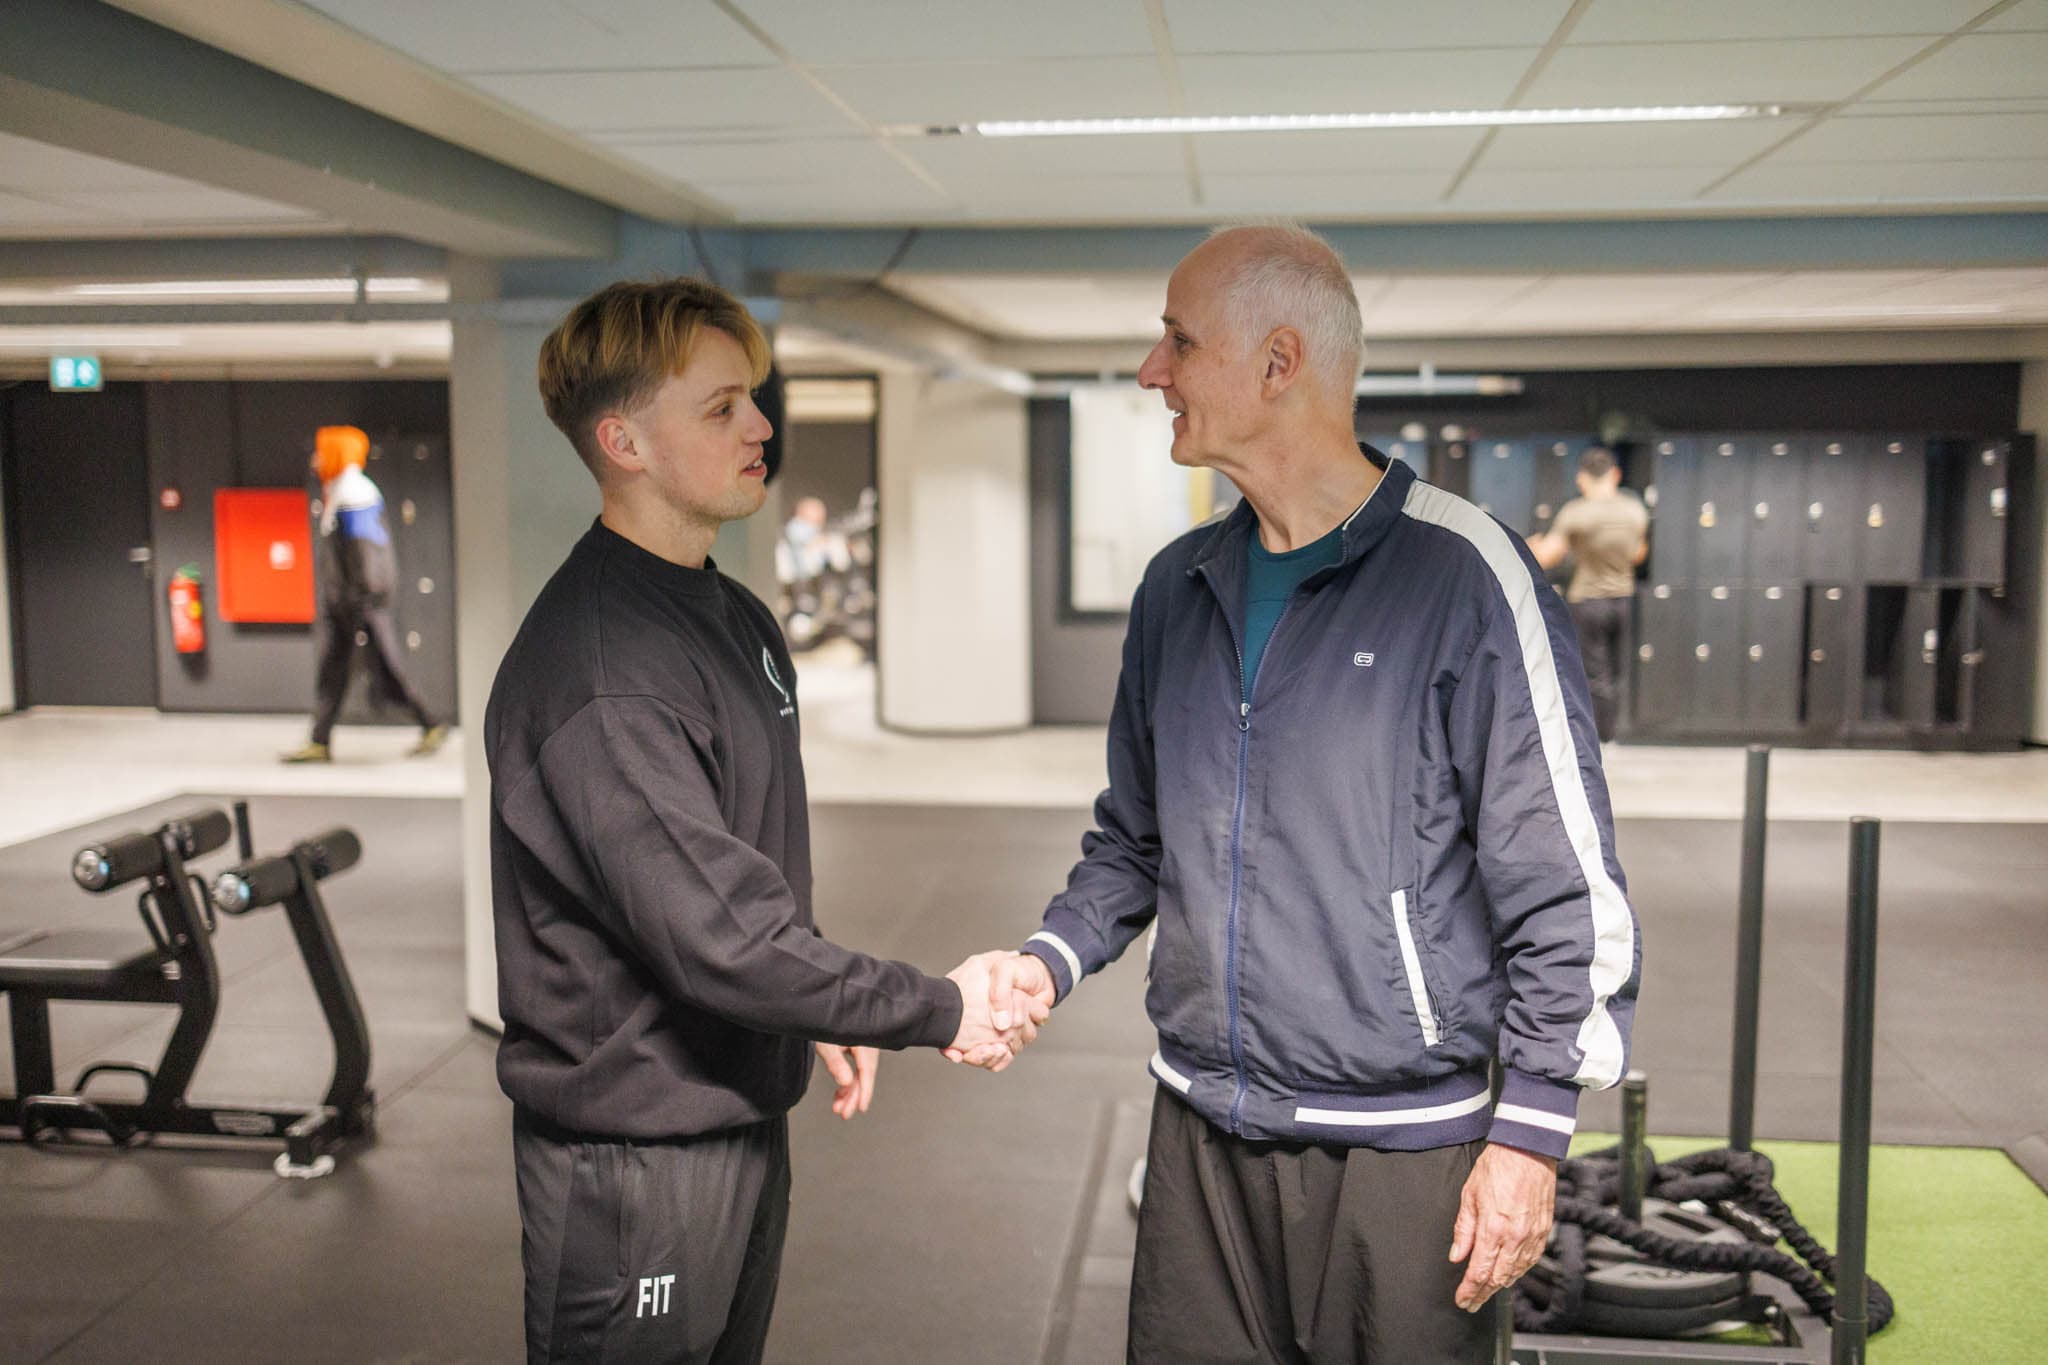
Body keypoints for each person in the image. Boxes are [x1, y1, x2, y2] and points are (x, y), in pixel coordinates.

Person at [984, 224, 1641, 1363]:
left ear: (1278, 362)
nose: (1150, 371)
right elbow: (1135, 840)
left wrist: (1532, 1133)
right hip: (1200, 1133)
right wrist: (1047, 958)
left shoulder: (1467, 577)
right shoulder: (1177, 585)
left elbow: (1563, 885)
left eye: (1178, 341)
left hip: (1404, 1153)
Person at [486, 277, 1040, 1365]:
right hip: (636, 1160)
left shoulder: (732, 614)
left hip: (737, 1113)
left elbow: (741, 872)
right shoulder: (605, 673)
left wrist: (808, 997)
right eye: (721, 407)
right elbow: (722, 939)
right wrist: (938, 1008)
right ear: (623, 442)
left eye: (752, 397)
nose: (761, 426)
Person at [281, 424, 445, 763]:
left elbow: (367, 554)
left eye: (321, 452)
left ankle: (430, 722)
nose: (315, 460)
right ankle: (319, 739)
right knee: (333, 670)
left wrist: (360, 603)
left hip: (361, 604)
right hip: (346, 603)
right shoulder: (340, 491)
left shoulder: (356, 494)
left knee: (387, 667)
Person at [1529, 447, 1649, 742]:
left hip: (1588, 601)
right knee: (1615, 670)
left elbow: (1547, 557)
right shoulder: (1634, 510)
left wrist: (1529, 546)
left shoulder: (1577, 512)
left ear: (1582, 478)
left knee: (1592, 672)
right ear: (1615, 475)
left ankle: (1596, 736)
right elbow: (1638, 553)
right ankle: (1612, 731)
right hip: (1623, 600)